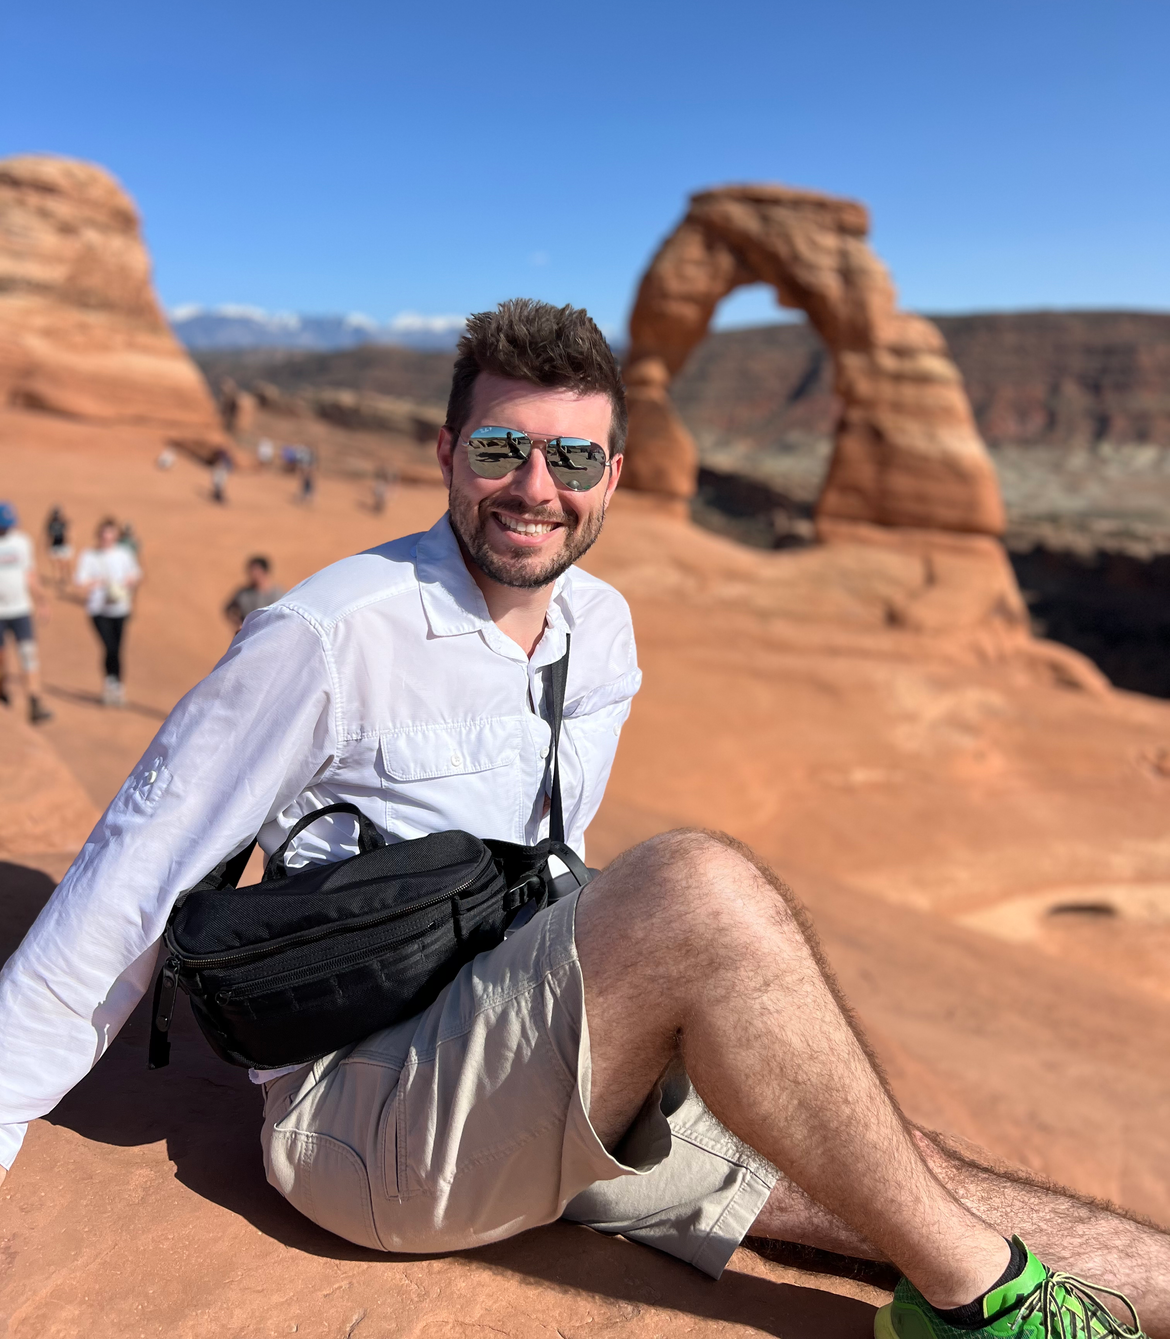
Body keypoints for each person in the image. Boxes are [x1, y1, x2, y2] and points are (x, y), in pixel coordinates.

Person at [0, 301, 1166, 1339]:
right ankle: (983, 1307)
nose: (534, 488)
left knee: (900, 1168)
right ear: (450, 453)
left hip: (527, 1052)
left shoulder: (597, 632)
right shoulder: (327, 637)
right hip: (367, 1122)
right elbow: (126, 890)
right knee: (700, 887)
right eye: (502, 448)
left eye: (571, 456)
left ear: (614, 472)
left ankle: (1029, 1278)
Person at [73, 517, 142, 707]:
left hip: (120, 609)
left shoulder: (124, 554)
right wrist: (98, 583)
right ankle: (110, 684)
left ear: (116, 535)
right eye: (103, 533)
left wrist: (125, 583)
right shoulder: (89, 555)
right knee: (109, 646)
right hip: (98, 609)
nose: (106, 537)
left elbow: (136, 574)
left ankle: (117, 688)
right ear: (98, 535)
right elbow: (80, 581)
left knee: (118, 649)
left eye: (110, 532)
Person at [0, 503, 53, 725]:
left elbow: (30, 574)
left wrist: (42, 601)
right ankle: (3, 694)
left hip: (21, 610)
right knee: (2, 661)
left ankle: (34, 701)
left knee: (28, 655)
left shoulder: (22, 543)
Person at [223, 555, 285, 634]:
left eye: (255, 571)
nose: (252, 574)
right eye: (250, 570)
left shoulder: (278, 594)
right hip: (247, 635)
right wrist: (238, 623)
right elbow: (229, 610)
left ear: (264, 572)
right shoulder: (243, 594)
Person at [44, 507, 72, 589]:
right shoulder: (50, 524)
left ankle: (65, 578)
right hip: (54, 545)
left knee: (63, 564)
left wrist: (69, 544)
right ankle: (57, 580)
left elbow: (68, 534)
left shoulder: (63, 523)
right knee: (55, 564)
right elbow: (48, 536)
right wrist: (47, 545)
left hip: (62, 545)